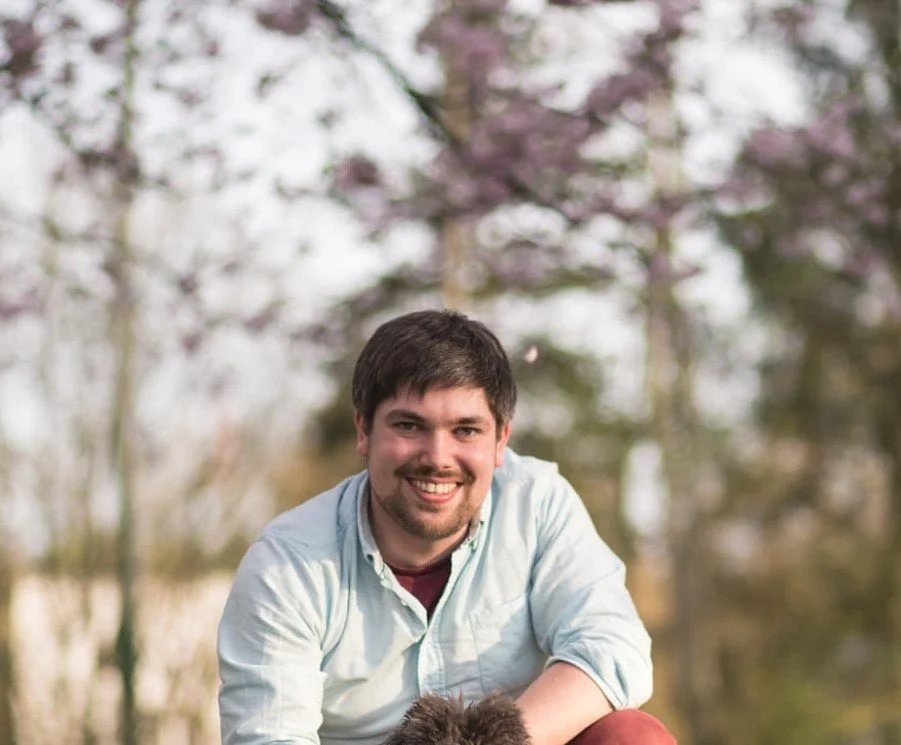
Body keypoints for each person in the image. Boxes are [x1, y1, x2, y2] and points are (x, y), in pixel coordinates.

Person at [218, 309, 675, 745]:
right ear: (364, 431)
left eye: (466, 430)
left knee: (631, 737)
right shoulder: (287, 565)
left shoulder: (536, 504)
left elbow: (613, 649)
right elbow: (269, 736)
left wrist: (490, 741)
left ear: (501, 440)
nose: (438, 458)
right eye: (409, 425)